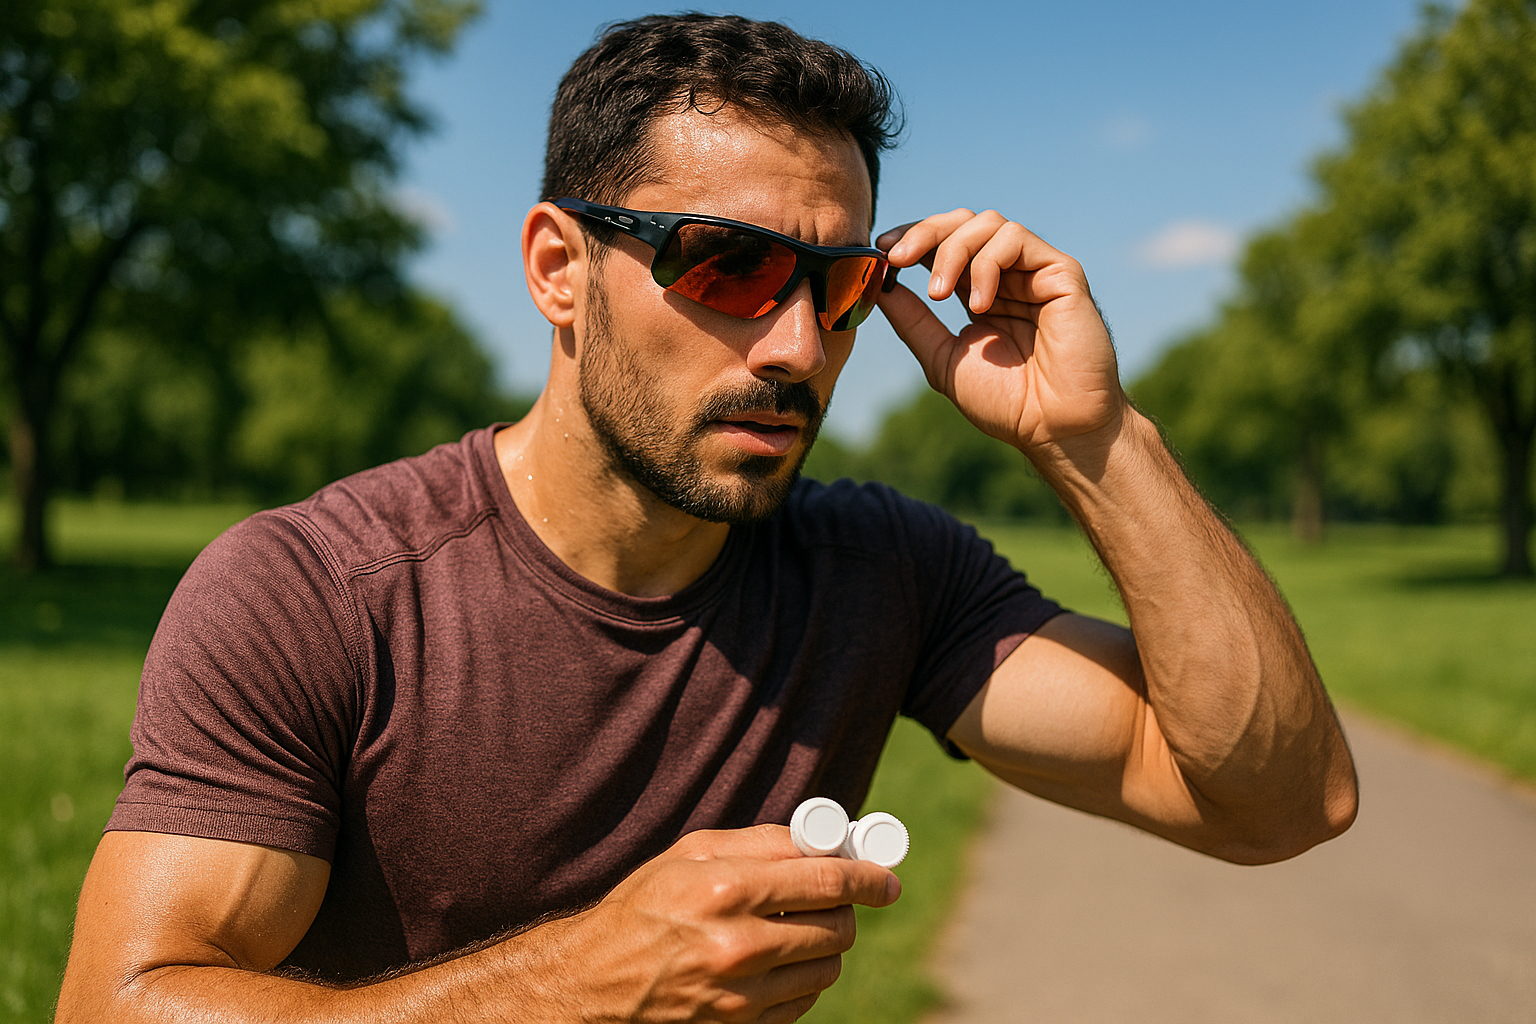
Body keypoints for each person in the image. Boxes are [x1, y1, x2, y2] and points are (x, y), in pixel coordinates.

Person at [55, 13, 1358, 1023]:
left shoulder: (880, 575)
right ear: (559, 271)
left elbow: (1278, 802)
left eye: (840, 286)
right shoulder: (315, 593)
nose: (795, 345)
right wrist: (572, 985)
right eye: (728, 265)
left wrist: (1095, 441)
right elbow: (119, 1001)